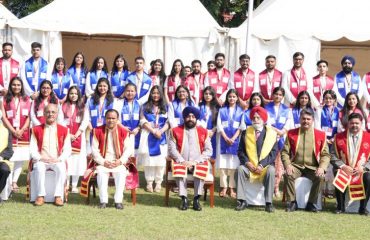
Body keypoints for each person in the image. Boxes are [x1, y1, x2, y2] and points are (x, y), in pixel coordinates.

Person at [281, 108, 330, 212]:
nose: (306, 121)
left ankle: (311, 203)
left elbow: (325, 155)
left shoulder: (321, 135)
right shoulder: (291, 133)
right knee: (287, 174)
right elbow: (285, 152)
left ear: (312, 120)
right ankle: (292, 202)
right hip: (296, 166)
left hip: (313, 167)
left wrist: (322, 167)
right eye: (303, 119)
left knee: (320, 177)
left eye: (308, 119)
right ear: (299, 119)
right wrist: (288, 165)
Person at [168, 106, 212, 211]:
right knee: (179, 168)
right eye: (188, 116)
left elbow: (209, 150)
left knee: (201, 168)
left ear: (196, 118)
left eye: (193, 116)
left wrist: (195, 162)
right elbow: (172, 149)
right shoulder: (175, 130)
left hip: (197, 162)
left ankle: (196, 199)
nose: (190, 118)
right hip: (181, 161)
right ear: (184, 118)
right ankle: (184, 199)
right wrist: (182, 161)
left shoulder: (204, 132)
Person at [235, 106, 278, 212]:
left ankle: (268, 203)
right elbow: (240, 151)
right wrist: (247, 163)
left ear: (263, 119)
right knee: (240, 170)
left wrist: (261, 165)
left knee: (272, 170)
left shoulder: (271, 134)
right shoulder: (246, 132)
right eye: (254, 118)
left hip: (264, 166)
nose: (255, 120)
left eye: (258, 118)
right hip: (250, 167)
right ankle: (242, 201)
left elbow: (273, 154)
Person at [30, 104, 71, 206]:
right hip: (41, 160)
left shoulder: (64, 130)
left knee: (61, 169)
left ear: (57, 114)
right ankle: (40, 196)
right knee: (39, 168)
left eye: (53, 112)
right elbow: (32, 149)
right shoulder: (36, 129)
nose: (50, 114)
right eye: (48, 112)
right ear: (43, 114)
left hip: (56, 160)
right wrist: (40, 158)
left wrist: (59, 159)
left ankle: (58, 196)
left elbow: (67, 149)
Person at [91, 109, 133, 209]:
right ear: (105, 119)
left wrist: (120, 161)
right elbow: (94, 150)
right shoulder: (97, 131)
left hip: (118, 162)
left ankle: (118, 201)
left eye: (113, 118)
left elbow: (128, 149)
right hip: (103, 161)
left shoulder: (124, 131)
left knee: (121, 173)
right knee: (101, 173)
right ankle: (103, 201)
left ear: (117, 119)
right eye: (108, 118)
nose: (111, 120)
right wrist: (103, 162)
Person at [331, 113, 370, 215]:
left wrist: (364, 167)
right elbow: (332, 155)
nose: (354, 125)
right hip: (344, 168)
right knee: (337, 174)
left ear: (361, 123)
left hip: (361, 170)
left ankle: (363, 208)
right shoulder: (339, 137)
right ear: (348, 123)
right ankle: (340, 207)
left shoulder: (368, 137)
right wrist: (343, 166)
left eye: (357, 123)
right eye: (352, 123)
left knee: (368, 177)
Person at [0, 77, 31, 192]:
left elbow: (29, 117)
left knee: (20, 159)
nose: (16, 87)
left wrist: (22, 130)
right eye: (14, 85)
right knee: (10, 158)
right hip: (9, 132)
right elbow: (3, 116)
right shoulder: (4, 99)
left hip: (23, 133)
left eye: (18, 85)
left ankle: (14, 182)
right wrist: (13, 131)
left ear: (22, 86)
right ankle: (7, 183)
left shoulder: (27, 99)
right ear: (10, 86)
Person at [139, 86, 169, 193]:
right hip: (149, 135)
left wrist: (160, 131)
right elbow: (142, 121)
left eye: (157, 93)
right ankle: (149, 183)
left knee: (160, 161)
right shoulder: (144, 106)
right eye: (153, 93)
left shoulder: (166, 107)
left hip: (161, 136)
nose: (155, 95)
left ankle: (158, 182)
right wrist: (153, 131)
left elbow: (168, 122)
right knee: (149, 160)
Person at [216, 89, 245, 198]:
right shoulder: (222, 110)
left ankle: (232, 188)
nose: (231, 98)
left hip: (235, 141)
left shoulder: (240, 111)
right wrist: (226, 137)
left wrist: (233, 138)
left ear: (237, 98)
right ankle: (224, 187)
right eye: (230, 97)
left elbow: (241, 127)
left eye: (234, 96)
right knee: (223, 166)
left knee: (233, 165)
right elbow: (219, 125)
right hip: (223, 140)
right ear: (227, 98)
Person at [60, 86, 88, 193]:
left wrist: (76, 134)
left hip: (78, 137)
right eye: (71, 93)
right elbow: (60, 121)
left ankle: (74, 185)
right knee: (66, 160)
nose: (73, 95)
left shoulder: (83, 107)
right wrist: (68, 134)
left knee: (76, 161)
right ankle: (65, 183)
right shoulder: (63, 106)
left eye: (76, 94)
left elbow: (85, 121)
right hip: (65, 136)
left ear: (78, 95)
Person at [265, 87, 292, 197]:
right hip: (269, 137)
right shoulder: (266, 108)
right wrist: (276, 131)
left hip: (282, 139)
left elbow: (289, 122)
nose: (278, 96)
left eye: (280, 95)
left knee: (279, 165)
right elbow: (266, 122)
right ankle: (269, 186)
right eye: (276, 94)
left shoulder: (287, 109)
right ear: (272, 95)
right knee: (269, 163)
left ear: (283, 96)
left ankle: (276, 187)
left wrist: (282, 132)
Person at [314, 90, 340, 198]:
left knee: (332, 165)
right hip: (322, 140)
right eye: (326, 98)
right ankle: (321, 189)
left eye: (331, 98)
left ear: (334, 100)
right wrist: (324, 138)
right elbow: (316, 126)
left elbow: (340, 127)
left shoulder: (339, 111)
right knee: (322, 163)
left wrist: (335, 137)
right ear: (323, 99)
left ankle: (330, 189)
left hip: (334, 141)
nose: (328, 100)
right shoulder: (319, 110)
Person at [198, 86, 219, 160]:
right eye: (206, 94)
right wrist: (204, 130)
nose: (208, 96)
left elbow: (219, 121)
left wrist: (213, 130)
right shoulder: (199, 106)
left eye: (210, 94)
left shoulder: (217, 107)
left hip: (212, 133)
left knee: (212, 151)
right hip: (201, 132)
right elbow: (197, 120)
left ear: (213, 95)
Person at [120, 83, 141, 154]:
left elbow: (142, 120)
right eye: (128, 91)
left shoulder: (139, 104)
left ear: (135, 92)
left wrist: (138, 128)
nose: (130, 93)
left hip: (136, 133)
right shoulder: (119, 103)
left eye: (132, 91)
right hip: (123, 132)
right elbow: (116, 120)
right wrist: (123, 127)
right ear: (124, 92)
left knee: (135, 156)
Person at [0, 110, 14, 204]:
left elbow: (10, 150)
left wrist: (1, 157)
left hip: (1, 160)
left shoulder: (6, 131)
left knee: (4, 170)